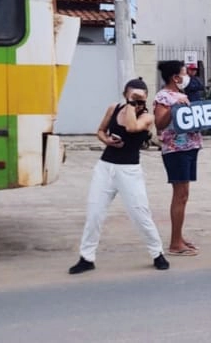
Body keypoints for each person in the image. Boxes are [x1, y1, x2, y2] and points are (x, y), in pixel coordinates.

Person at [69, 79, 170, 275]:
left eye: (142, 99)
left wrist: (132, 106)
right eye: (134, 97)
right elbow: (100, 131)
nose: (138, 102)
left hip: (129, 170)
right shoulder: (114, 108)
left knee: (140, 213)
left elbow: (132, 128)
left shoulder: (147, 117)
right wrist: (106, 139)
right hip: (106, 167)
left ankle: (157, 253)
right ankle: (86, 257)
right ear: (125, 95)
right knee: (94, 213)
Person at [151, 61, 201, 256]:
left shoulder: (183, 95)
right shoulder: (163, 97)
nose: (187, 76)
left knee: (184, 195)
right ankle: (174, 243)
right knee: (179, 195)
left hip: (189, 146)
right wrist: (173, 109)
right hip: (175, 149)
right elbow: (160, 123)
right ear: (175, 77)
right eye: (184, 73)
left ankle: (178, 237)